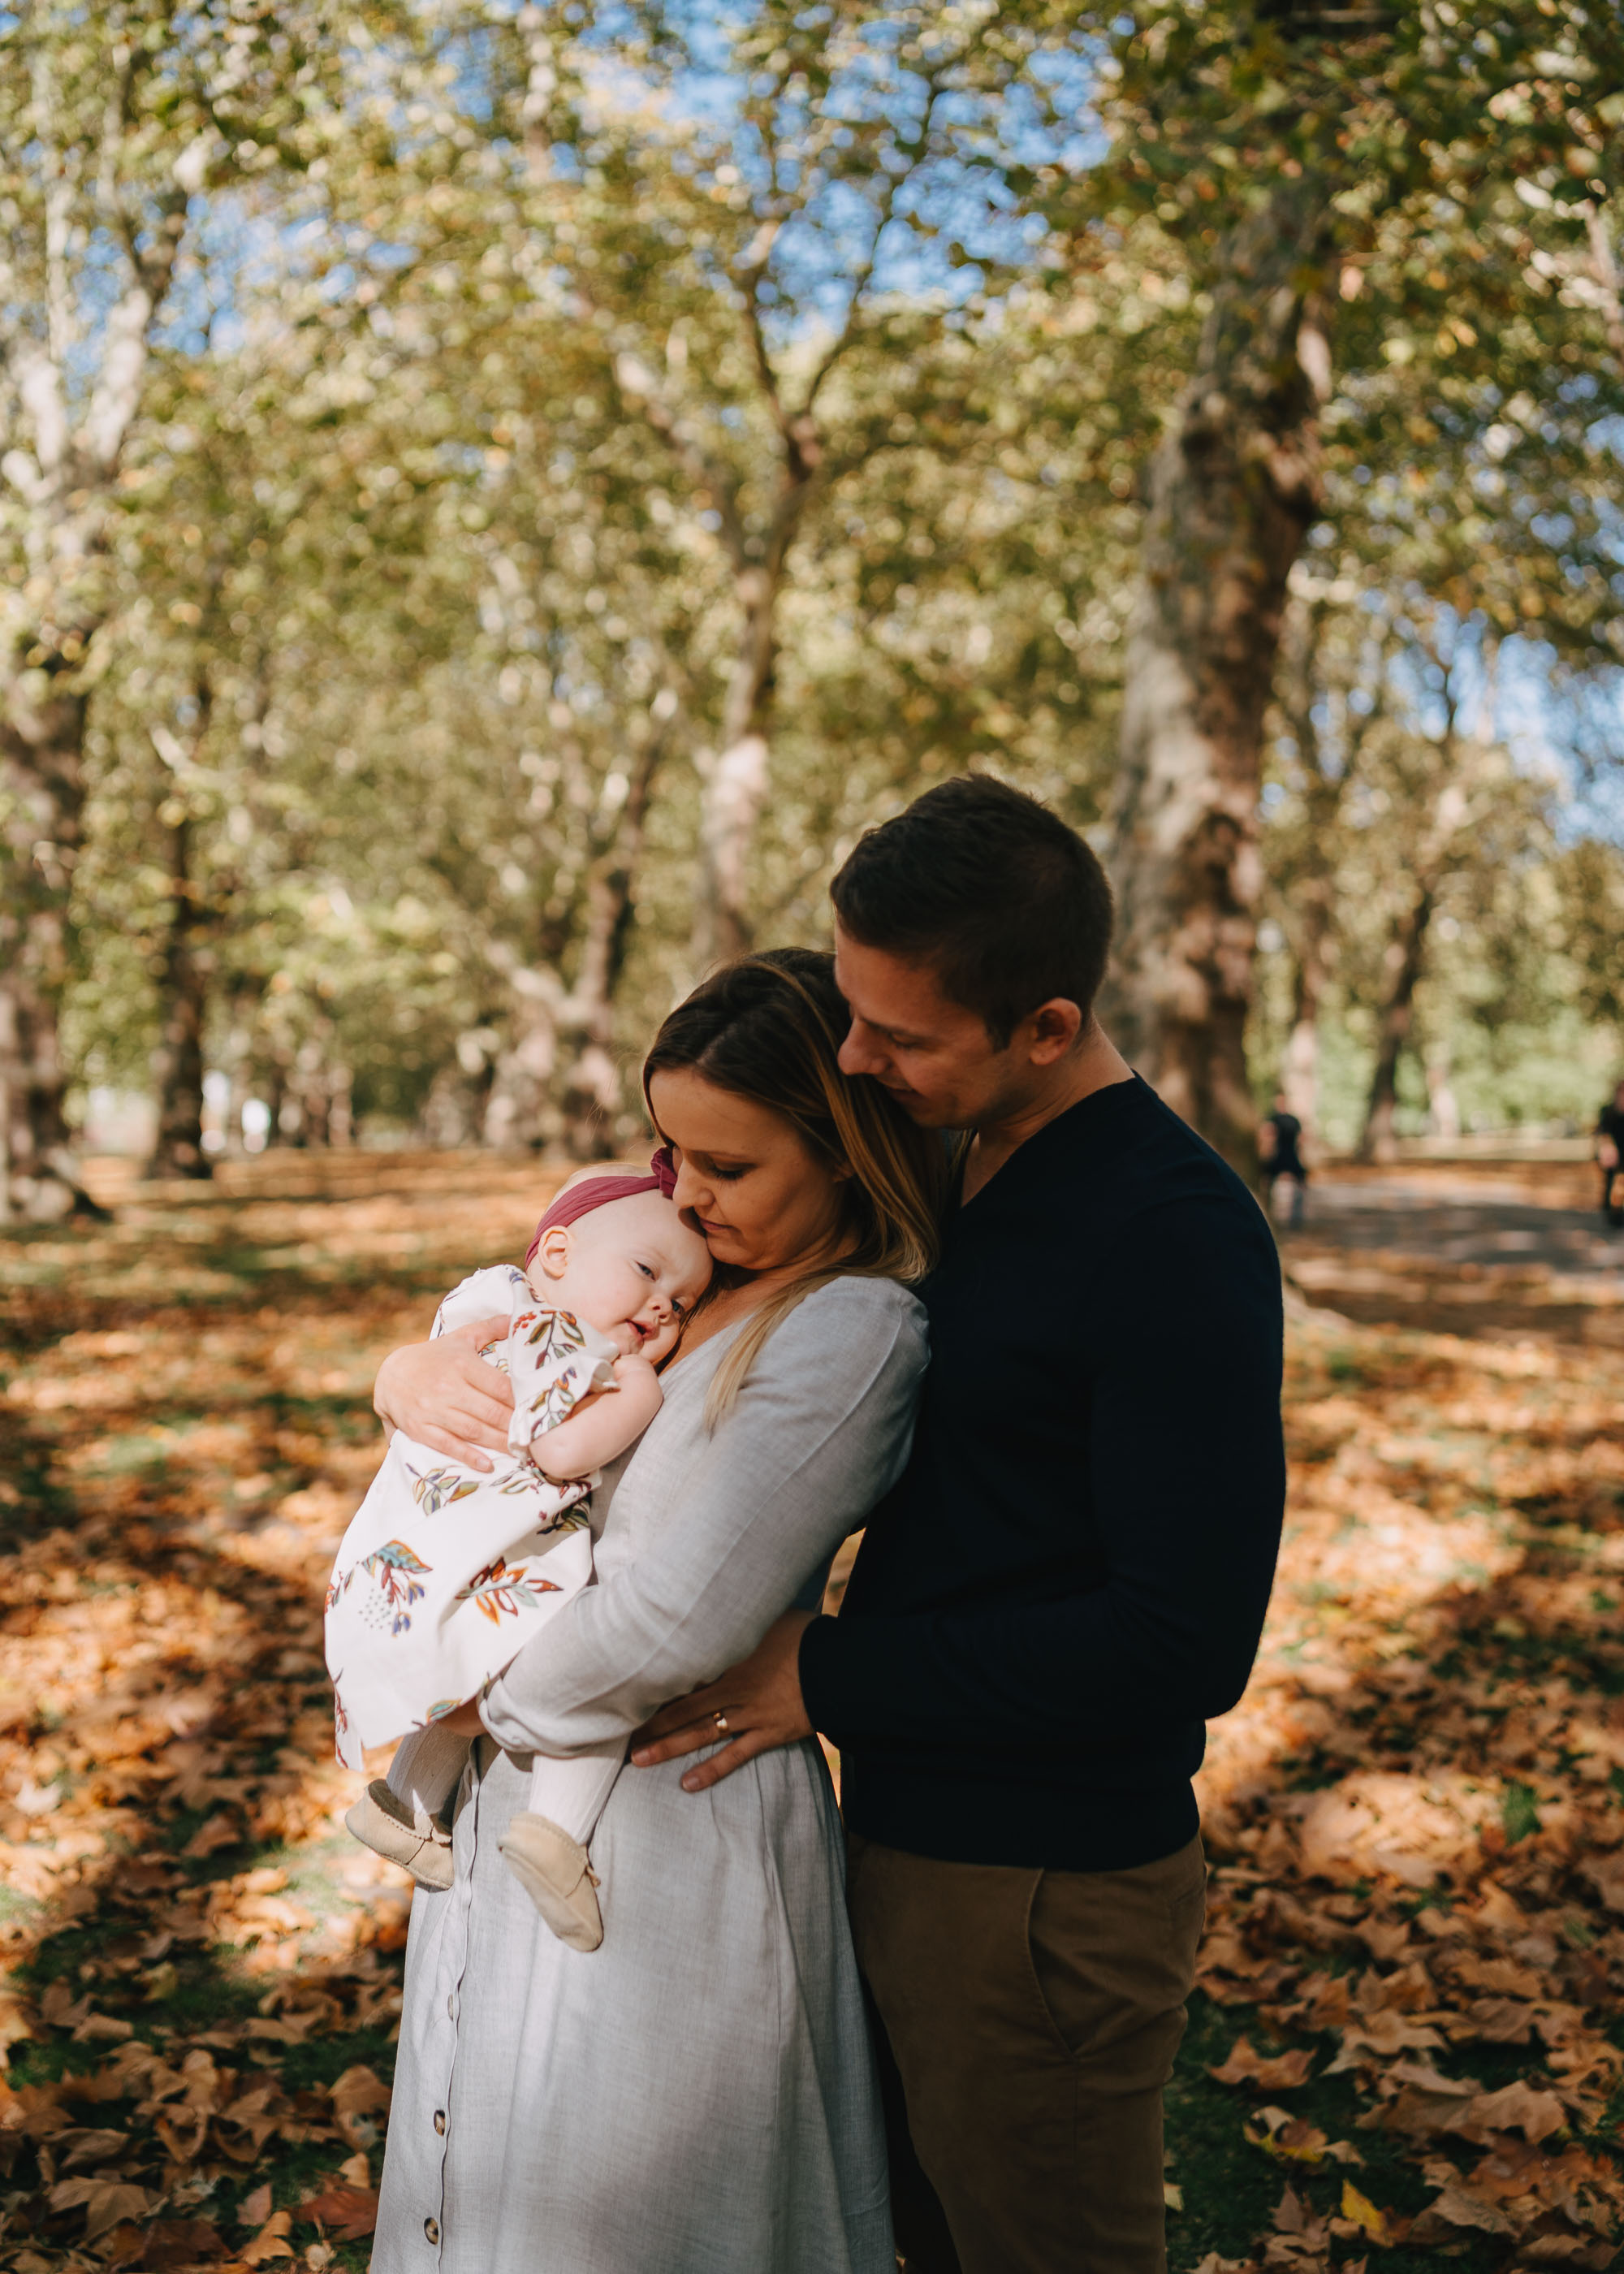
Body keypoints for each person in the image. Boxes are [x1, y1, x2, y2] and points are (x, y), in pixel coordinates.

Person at [634, 776, 1286, 2274]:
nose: (855, 1059)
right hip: (911, 1839)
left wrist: (831, 1674)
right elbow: (644, 1208)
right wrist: (426, 1361)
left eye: (897, 1035)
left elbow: (1181, 1639)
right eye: (852, 1014)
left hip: (1042, 1895)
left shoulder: (1169, 1234)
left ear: (1046, 1027)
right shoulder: (945, 1152)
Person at [365, 948, 948, 2274]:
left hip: (669, 1826)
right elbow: (503, 1370)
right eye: (668, 1152)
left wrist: (466, 1689)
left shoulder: (848, 1331)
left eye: (728, 1168)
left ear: (849, 1152)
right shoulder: (660, 1274)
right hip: (514, 1799)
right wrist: (408, 1372)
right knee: (485, 2179)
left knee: (628, 2218)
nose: (682, 1194)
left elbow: (680, 1613)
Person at [327, 1160, 713, 1952]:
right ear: (560, 1254)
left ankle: (401, 1802)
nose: (659, 1307)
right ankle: (557, 1833)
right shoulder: (597, 1360)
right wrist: (636, 1390)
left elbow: (434, 1362)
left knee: (460, 1674)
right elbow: (565, 1452)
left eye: (680, 1305)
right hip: (501, 1562)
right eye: (646, 1272)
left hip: (397, 1563)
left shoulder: (483, 1303)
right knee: (595, 1663)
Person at [1259, 1090, 1308, 1230]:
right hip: (1280, 1155)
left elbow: (1301, 1139)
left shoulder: (1285, 1120)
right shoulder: (1274, 1119)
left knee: (1300, 1185)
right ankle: (1267, 1215)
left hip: (1289, 1155)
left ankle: (1296, 1217)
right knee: (1268, 1185)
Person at [1596, 1079, 1624, 1229]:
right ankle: (1614, 1214)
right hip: (1613, 1153)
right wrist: (1606, 1149)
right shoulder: (1609, 1111)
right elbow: (1602, 1133)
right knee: (1613, 1183)